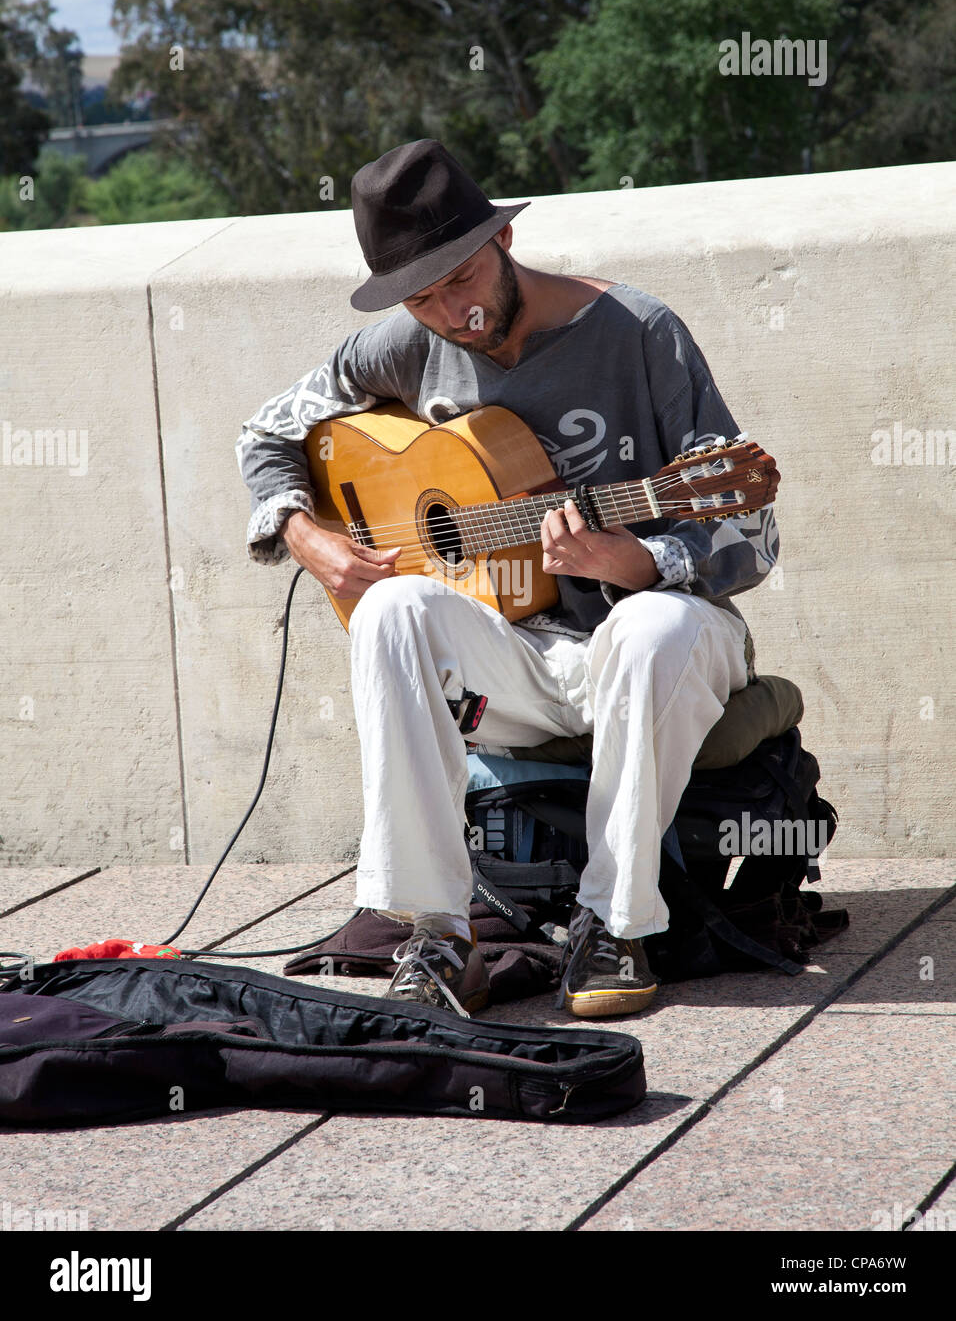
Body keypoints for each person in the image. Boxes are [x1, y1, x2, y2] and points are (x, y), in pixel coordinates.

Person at [235, 138, 779, 1020]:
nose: (453, 313)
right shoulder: (406, 344)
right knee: (391, 611)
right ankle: (438, 932)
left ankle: (614, 925)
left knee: (652, 626)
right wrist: (306, 535)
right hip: (518, 656)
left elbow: (753, 530)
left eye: (461, 280)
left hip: (663, 648)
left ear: (504, 243)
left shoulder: (640, 334)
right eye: (423, 296)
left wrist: (640, 563)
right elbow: (264, 434)